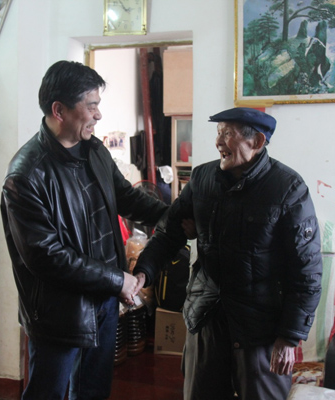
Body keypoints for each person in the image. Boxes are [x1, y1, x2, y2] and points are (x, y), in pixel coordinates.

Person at [0, 60, 168, 400]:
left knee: (93, 390)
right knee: (49, 392)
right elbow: (47, 257)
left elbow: (126, 198)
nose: (98, 115)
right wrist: (118, 280)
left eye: (98, 105)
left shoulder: (94, 150)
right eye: (91, 106)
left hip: (104, 300)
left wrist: (174, 215)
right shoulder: (26, 175)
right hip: (60, 313)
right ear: (59, 110)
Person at [133, 107, 323, 400]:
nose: (218, 141)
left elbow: (306, 271)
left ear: (257, 141)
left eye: (228, 133)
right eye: (218, 132)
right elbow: (169, 231)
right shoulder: (202, 178)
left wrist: (289, 337)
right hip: (206, 314)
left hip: (259, 326)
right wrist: (144, 271)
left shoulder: (287, 188)